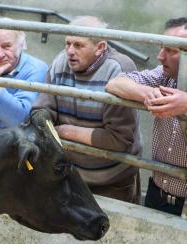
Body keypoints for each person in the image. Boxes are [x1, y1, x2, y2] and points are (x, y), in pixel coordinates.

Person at [34, 17, 141, 203]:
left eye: (78, 45)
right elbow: (43, 109)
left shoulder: (119, 69)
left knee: (110, 222)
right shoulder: (60, 62)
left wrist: (65, 131)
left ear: (100, 47)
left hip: (111, 181)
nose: (70, 51)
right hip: (68, 174)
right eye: (67, 43)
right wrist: (40, 118)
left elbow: (119, 139)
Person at [106, 17, 187, 217]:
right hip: (158, 194)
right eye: (161, 47)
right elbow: (115, 83)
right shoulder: (165, 76)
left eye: (171, 50)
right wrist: (147, 93)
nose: (160, 56)